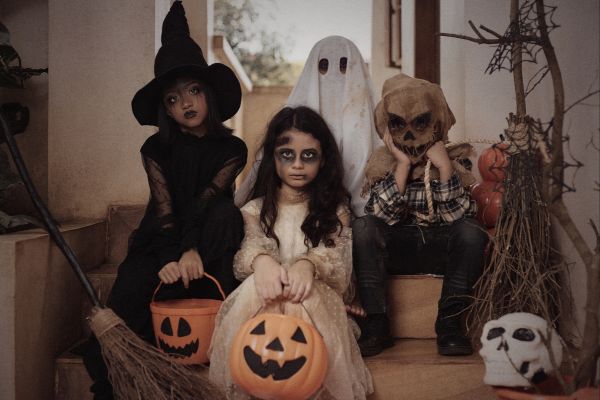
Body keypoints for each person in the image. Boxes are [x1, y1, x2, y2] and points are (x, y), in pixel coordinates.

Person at [82, 2, 247, 399]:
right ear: (166, 111)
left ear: (208, 93)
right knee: (134, 285)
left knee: (226, 214)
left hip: (208, 238)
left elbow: (205, 203)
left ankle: (212, 321)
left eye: (193, 91)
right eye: (173, 99)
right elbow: (166, 208)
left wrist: (191, 251)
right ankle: (123, 375)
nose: (186, 104)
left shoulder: (232, 149)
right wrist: (169, 259)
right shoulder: (154, 149)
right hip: (162, 238)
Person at [209, 106, 373, 400]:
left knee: (303, 296)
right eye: (287, 155)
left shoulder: (335, 212)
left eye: (308, 155)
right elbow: (251, 246)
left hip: (313, 301)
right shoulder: (254, 211)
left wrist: (308, 265)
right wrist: (262, 262)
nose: (298, 164)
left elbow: (336, 261)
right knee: (255, 290)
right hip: (264, 301)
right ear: (273, 157)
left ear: (323, 161)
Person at [353, 74, 488, 357]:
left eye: (421, 122)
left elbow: (459, 217)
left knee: (472, 232)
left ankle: (450, 324)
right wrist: (402, 166)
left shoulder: (455, 160)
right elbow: (379, 214)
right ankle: (377, 324)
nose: (410, 134)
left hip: (438, 248)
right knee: (364, 227)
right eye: (398, 124)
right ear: (386, 127)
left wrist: (445, 169)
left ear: (437, 123)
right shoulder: (381, 164)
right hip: (396, 250)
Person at [235, 36, 381, 218]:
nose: (334, 75)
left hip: (364, 217)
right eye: (324, 66)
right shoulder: (294, 122)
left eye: (344, 65)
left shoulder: (378, 125)